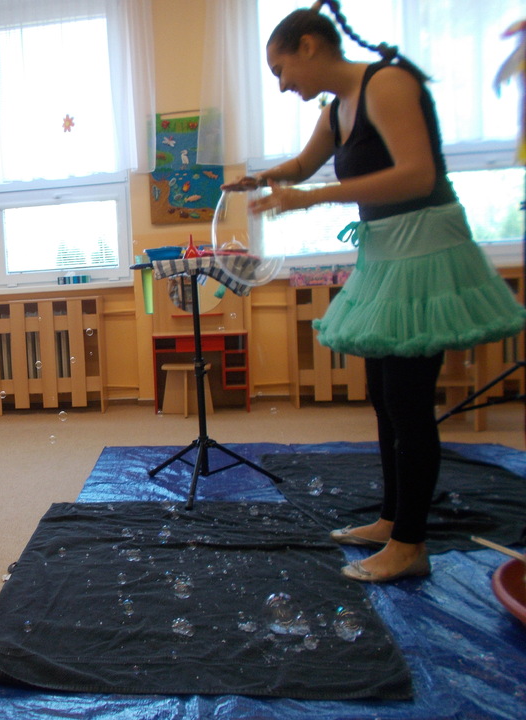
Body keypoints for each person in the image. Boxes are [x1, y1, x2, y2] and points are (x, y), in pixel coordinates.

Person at [224, 1, 526, 583]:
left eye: (281, 70)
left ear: (309, 45)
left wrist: (311, 200)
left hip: (425, 250)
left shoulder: (387, 84)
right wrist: (264, 178)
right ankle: (393, 519)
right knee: (385, 397)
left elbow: (417, 174)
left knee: (409, 403)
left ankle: (411, 546)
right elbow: (305, 163)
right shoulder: (336, 110)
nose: (282, 86)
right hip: (386, 253)